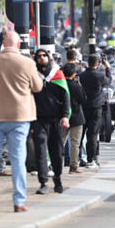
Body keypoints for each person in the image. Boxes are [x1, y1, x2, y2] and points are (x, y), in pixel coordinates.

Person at [0, 31, 43, 212]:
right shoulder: (27, 63)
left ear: (3, 44)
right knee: (18, 159)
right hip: (19, 117)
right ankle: (18, 201)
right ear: (19, 45)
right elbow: (38, 87)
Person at [31, 47, 70, 194]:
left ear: (48, 58)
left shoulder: (58, 75)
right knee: (40, 151)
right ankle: (43, 183)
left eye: (44, 56)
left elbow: (66, 98)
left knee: (57, 152)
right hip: (39, 120)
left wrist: (65, 116)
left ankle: (58, 178)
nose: (42, 58)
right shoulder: (33, 77)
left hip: (56, 121)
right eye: (39, 56)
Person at [79, 53, 112, 169]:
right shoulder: (100, 75)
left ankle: (78, 158)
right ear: (97, 64)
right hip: (96, 108)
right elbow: (109, 81)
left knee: (80, 135)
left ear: (88, 63)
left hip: (83, 107)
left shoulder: (81, 75)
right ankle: (90, 160)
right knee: (92, 135)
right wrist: (107, 67)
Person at [63, 63, 87, 174]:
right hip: (77, 117)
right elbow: (83, 99)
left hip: (62, 117)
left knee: (60, 142)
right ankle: (73, 166)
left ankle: (55, 163)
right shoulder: (76, 86)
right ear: (74, 74)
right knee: (75, 143)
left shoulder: (60, 85)